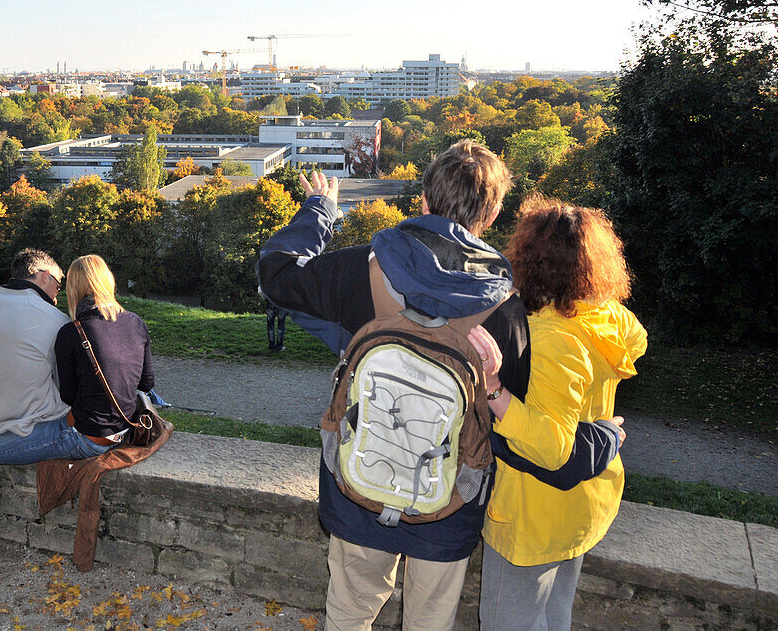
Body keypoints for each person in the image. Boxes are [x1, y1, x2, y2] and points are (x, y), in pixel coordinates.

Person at [256, 141, 623, 631]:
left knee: (348, 615)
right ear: (491, 214)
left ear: (424, 199)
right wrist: (595, 441)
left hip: (358, 485)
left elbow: (275, 272)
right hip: (448, 502)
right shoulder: (506, 309)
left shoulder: (360, 269)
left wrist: (321, 211)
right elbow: (507, 426)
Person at [471, 197, 646, 630]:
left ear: (531, 258)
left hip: (533, 515)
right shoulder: (608, 319)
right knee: (554, 618)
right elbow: (637, 341)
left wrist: (494, 389)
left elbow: (551, 448)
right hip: (582, 504)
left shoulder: (552, 337)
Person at [0, 249, 107, 560]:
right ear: (41, 276)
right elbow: (67, 387)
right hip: (35, 425)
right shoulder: (55, 320)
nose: (59, 291)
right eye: (57, 282)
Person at [53, 254, 155, 450]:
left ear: (74, 288)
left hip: (89, 437)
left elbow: (67, 395)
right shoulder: (137, 323)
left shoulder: (71, 332)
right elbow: (146, 383)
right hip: (127, 430)